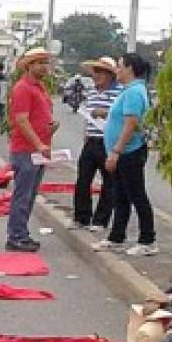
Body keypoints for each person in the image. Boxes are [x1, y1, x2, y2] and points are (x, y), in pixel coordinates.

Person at [94, 53, 156, 256]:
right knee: (120, 196)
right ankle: (116, 236)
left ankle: (148, 239)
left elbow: (131, 123)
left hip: (129, 152)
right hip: (122, 153)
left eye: (120, 67)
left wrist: (116, 150)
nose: (117, 71)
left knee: (137, 195)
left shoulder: (134, 92)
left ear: (130, 69)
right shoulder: (128, 91)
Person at [4, 47, 56, 253]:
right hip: (26, 150)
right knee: (22, 195)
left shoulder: (40, 87)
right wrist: (39, 144)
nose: (44, 66)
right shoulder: (23, 88)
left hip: (37, 150)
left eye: (46, 62)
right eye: (40, 62)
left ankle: (22, 233)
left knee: (30, 195)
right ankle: (16, 236)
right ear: (29, 65)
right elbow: (21, 120)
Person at [72, 56, 121, 230]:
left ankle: (101, 220)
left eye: (100, 72)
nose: (96, 76)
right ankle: (81, 217)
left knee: (109, 182)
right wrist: (85, 134)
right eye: (95, 72)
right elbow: (87, 114)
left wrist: (105, 113)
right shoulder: (92, 92)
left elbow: (123, 116)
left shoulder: (119, 93)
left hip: (108, 141)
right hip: (91, 140)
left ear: (110, 75)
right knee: (83, 180)